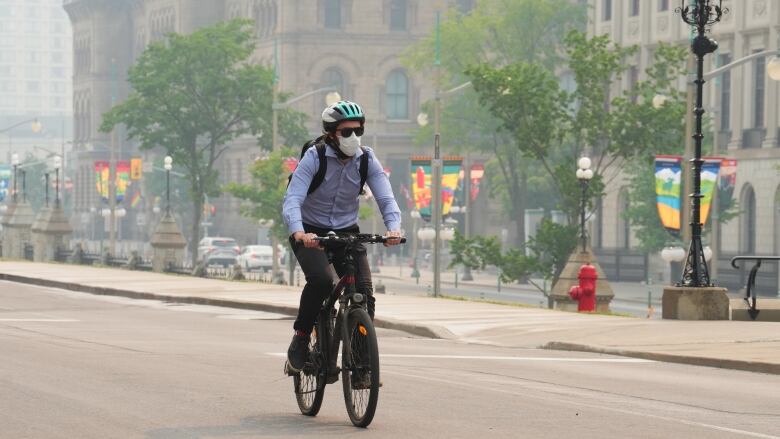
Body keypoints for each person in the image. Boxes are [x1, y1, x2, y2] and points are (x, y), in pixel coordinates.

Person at [282, 100, 402, 374]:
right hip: (310, 231)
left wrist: (393, 228)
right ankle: (301, 339)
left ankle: (361, 364)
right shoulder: (315, 157)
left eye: (357, 131)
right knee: (322, 281)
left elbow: (385, 196)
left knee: (364, 293)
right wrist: (299, 232)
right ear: (332, 133)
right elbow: (293, 199)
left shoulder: (367, 158)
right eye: (346, 132)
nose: (353, 137)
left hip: (347, 231)